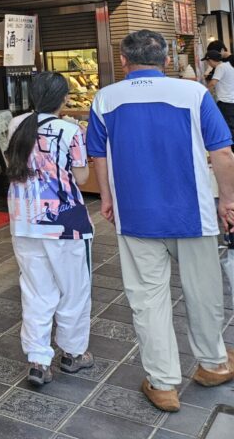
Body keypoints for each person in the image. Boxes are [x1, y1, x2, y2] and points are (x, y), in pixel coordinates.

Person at [87, 30, 234, 413]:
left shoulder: (106, 98)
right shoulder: (193, 93)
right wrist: (228, 201)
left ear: (123, 61)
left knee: (147, 299)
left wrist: (106, 197)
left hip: (136, 217)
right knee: (203, 292)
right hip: (194, 214)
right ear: (166, 59)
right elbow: (222, 153)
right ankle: (213, 364)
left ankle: (163, 383)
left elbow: (98, 157)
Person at [4, 72, 95, 386]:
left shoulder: (17, 125)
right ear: (64, 98)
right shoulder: (70, 130)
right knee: (74, 289)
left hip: (23, 222)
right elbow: (82, 179)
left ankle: (38, 360)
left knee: (36, 291)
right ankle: (72, 353)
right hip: (65, 222)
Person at [204, 49, 234, 137]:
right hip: (231, 101)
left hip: (225, 102)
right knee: (231, 125)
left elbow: (213, 83)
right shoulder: (229, 65)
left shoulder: (220, 67)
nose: (208, 64)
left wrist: (203, 92)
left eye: (207, 62)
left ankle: (230, 148)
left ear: (210, 60)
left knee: (228, 126)